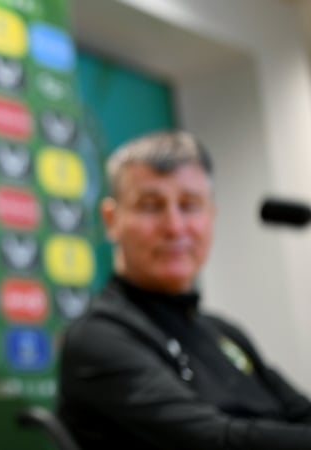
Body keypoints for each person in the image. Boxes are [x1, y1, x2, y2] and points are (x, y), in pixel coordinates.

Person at [57, 130, 311, 449]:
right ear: (111, 220)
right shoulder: (99, 338)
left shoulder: (225, 333)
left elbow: (301, 413)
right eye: (151, 206)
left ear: (211, 215)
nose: (175, 227)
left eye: (190, 205)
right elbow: (209, 441)